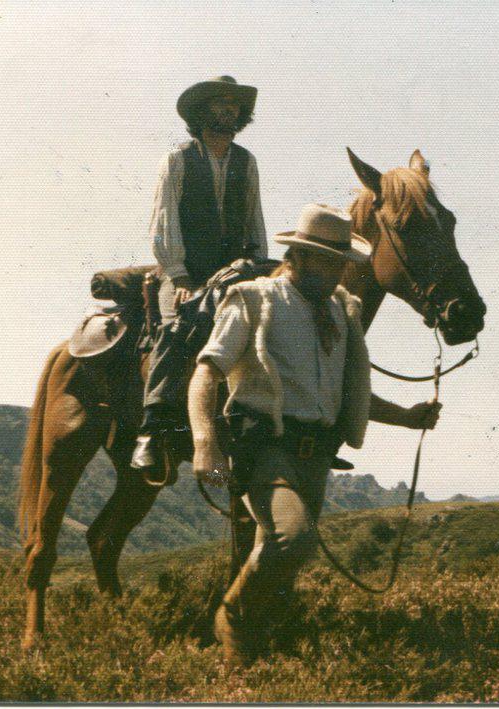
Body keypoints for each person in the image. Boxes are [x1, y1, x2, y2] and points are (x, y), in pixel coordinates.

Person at [188, 203, 442, 664]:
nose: (334, 272)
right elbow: (207, 372)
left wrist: (407, 416)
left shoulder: (342, 312)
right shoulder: (254, 300)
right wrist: (204, 440)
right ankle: (231, 617)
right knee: (294, 537)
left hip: (315, 457)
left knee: (276, 556)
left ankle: (243, 663)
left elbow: (351, 393)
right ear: (299, 256)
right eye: (324, 261)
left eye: (341, 263)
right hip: (265, 449)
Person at [132, 75, 268, 471]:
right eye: (219, 104)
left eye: (234, 105)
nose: (228, 111)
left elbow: (255, 222)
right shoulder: (178, 159)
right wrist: (178, 277)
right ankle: (152, 429)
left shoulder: (247, 161)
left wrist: (260, 266)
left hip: (235, 274)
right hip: (184, 273)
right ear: (201, 112)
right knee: (178, 327)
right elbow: (163, 223)